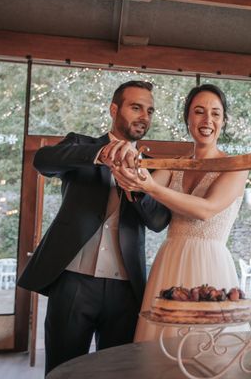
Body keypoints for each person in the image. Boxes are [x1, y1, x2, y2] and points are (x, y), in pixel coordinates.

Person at [17, 81, 171, 374]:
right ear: (114, 109)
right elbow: (43, 161)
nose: (144, 116)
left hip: (125, 289)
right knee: (63, 370)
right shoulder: (81, 145)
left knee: (117, 372)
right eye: (136, 107)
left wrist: (137, 187)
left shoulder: (152, 167)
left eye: (150, 110)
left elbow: (159, 222)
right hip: (72, 283)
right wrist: (100, 154)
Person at [112, 84, 249, 342]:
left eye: (215, 113)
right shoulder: (175, 165)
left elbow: (206, 210)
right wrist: (128, 173)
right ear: (188, 118)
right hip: (170, 261)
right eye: (199, 111)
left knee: (207, 344)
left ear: (224, 121)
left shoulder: (236, 167)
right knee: (161, 344)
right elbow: (142, 188)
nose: (207, 120)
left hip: (211, 261)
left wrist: (149, 185)